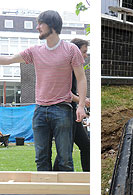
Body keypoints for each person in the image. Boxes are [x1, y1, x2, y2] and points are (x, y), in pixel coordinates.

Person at [0, 10, 87, 171]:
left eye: (40, 24)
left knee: (65, 160)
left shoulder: (71, 49)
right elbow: (8, 59)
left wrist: (80, 107)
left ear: (51, 25)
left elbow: (81, 78)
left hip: (62, 110)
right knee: (41, 159)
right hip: (39, 111)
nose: (37, 27)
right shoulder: (35, 51)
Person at [54, 38, 90, 172]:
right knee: (68, 149)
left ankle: (88, 175)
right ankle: (53, 177)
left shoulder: (75, 69)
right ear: (75, 51)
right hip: (67, 112)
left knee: (85, 146)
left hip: (73, 112)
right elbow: (65, 93)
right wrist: (82, 100)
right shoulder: (66, 70)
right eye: (84, 52)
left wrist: (82, 100)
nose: (86, 55)